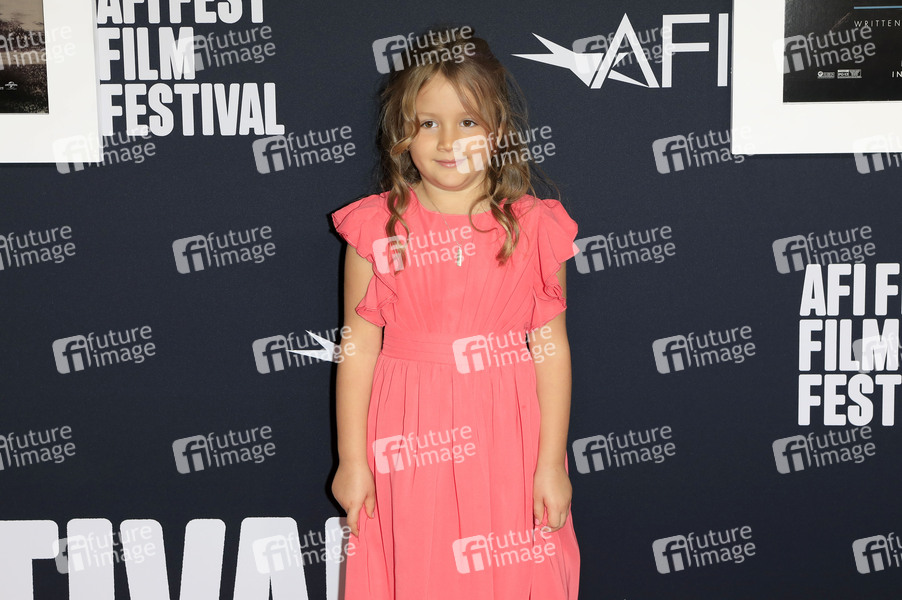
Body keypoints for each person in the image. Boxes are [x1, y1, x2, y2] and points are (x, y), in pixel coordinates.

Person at [330, 26, 580, 600]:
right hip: (406, 433)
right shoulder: (376, 227)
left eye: (467, 121)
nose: (448, 142)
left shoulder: (534, 227)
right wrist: (351, 460)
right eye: (428, 123)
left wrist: (550, 464)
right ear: (403, 132)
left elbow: (551, 348)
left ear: (498, 129)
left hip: (507, 435)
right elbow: (359, 347)